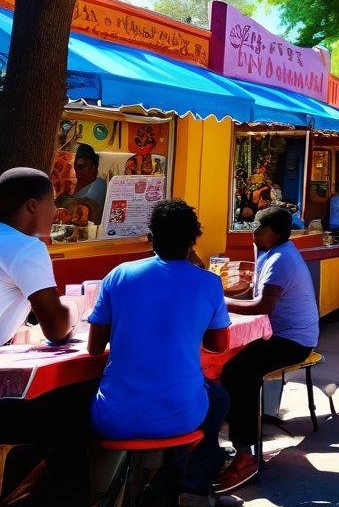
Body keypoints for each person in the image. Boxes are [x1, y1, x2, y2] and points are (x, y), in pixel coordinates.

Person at [87, 200, 233, 507]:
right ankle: (189, 487)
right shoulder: (209, 282)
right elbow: (219, 345)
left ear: (150, 237)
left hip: (113, 417)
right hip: (180, 416)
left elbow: (94, 347)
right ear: (194, 240)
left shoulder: (119, 275)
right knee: (217, 398)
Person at [0, 168, 90, 507]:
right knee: (77, 413)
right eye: (53, 203)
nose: (58, 212)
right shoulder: (26, 248)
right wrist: (73, 308)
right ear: (32, 206)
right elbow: (55, 326)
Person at [215, 206, 319, 492]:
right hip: (279, 334)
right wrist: (217, 291)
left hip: (293, 341)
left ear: (271, 232)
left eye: (257, 228)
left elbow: (262, 306)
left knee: (237, 372)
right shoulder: (272, 252)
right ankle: (230, 428)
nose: (253, 233)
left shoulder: (281, 259)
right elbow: (253, 294)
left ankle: (245, 454)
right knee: (226, 359)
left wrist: (219, 302)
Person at [71, 142, 108, 211]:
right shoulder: (77, 186)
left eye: (82, 167)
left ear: (93, 167)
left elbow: (86, 206)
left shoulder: (99, 183)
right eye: (75, 167)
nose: (77, 171)